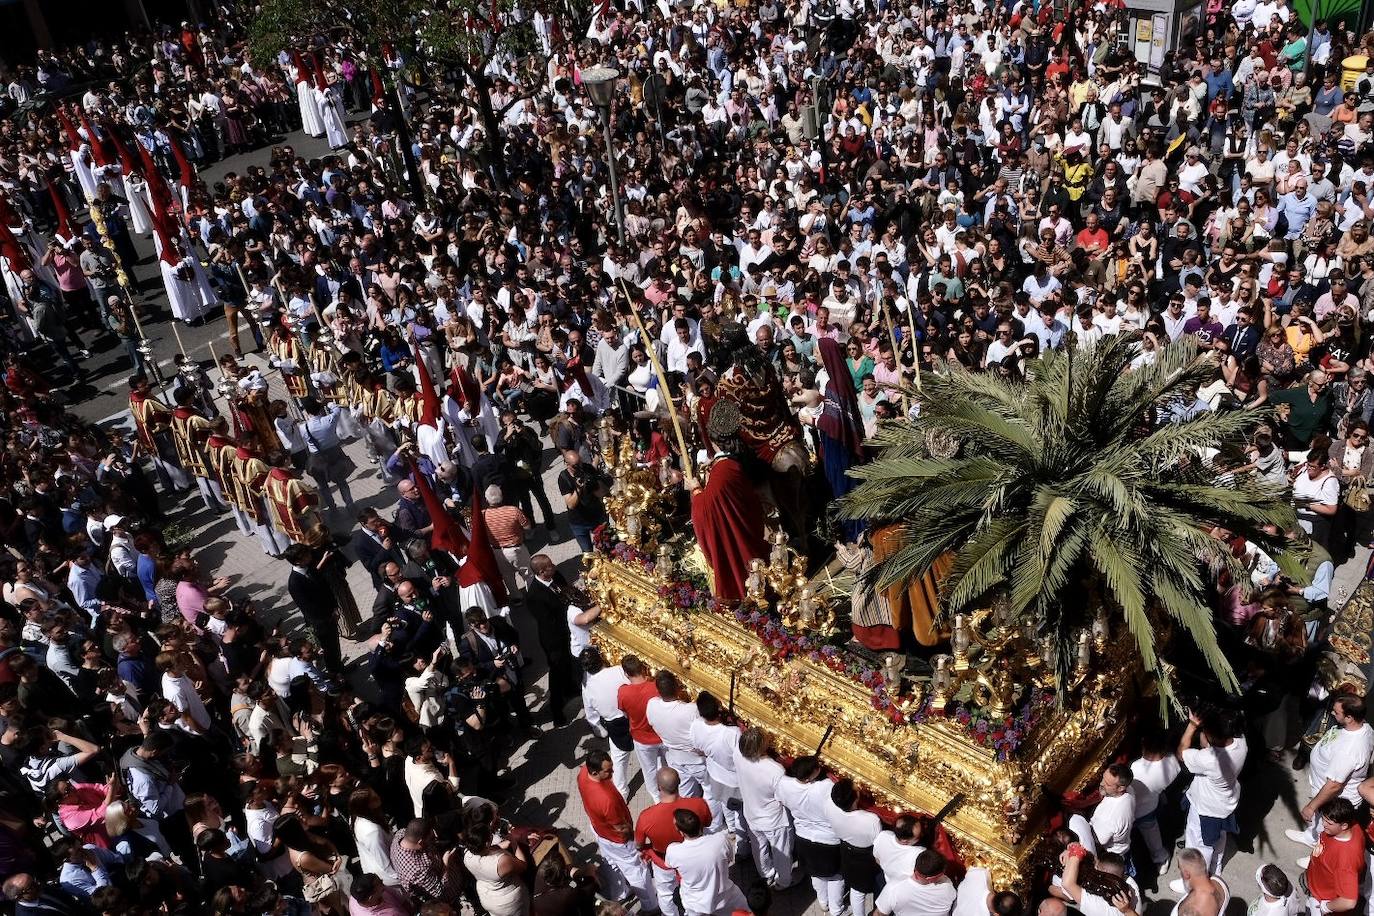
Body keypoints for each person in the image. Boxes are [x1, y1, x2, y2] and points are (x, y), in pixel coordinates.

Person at [576, 748, 657, 913]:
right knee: (637, 871)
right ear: (595, 772)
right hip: (618, 841)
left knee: (611, 863)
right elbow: (621, 828)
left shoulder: (583, 773)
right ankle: (651, 906)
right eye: (608, 771)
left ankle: (620, 893)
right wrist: (635, 841)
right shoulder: (607, 800)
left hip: (600, 831)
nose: (613, 773)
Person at [1286, 694, 1374, 846]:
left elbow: (1334, 785)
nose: (1332, 713)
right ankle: (1311, 837)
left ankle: (1319, 850)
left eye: (1336, 712)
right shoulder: (1365, 727)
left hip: (1334, 798)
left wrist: (1311, 806)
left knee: (1328, 827)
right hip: (1325, 790)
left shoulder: (1349, 750)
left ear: (1349, 717)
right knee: (1319, 822)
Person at [1174, 709, 1247, 882]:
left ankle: (1197, 881)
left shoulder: (1209, 759)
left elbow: (1181, 753)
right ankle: (1216, 869)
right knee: (1219, 838)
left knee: (1200, 846)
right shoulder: (1241, 742)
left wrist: (1192, 726)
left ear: (1209, 736)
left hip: (1206, 809)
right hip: (1226, 803)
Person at [634, 767, 712, 916]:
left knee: (665, 894)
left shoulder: (646, 817)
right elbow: (708, 823)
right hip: (694, 858)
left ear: (658, 787)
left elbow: (638, 845)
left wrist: (650, 849)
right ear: (679, 782)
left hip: (664, 863)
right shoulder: (699, 804)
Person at [734, 726, 796, 889]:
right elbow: (783, 797)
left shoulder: (738, 755)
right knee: (781, 852)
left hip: (751, 813)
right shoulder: (774, 770)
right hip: (773, 819)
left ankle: (766, 873)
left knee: (758, 847)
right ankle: (783, 881)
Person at [665, 808, 749, 916]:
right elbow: (729, 859)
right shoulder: (720, 840)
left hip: (694, 904)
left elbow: (669, 865)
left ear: (681, 832)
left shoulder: (673, 851)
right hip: (726, 898)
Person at [1302, 799, 1363, 913]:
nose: (1323, 824)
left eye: (1329, 823)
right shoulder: (1352, 825)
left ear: (1344, 826)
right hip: (1315, 881)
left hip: (1320, 898)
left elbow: (1349, 901)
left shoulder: (1345, 861)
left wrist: (1325, 907)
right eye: (1324, 819)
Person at [875, 848, 957, 916]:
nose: (944, 875)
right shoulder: (948, 888)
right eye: (942, 873)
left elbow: (879, 914)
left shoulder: (894, 888)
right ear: (930, 879)